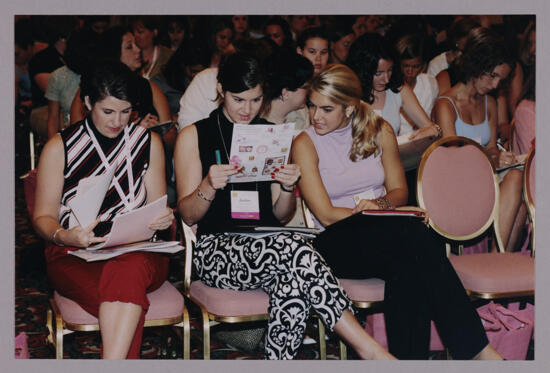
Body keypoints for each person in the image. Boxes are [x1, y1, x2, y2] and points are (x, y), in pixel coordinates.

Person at [174, 52, 394, 360]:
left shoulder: (270, 134)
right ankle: (368, 349)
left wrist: (289, 187)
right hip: (217, 251)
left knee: (292, 281)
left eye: (255, 99)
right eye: (238, 99)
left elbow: (281, 214)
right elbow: (187, 214)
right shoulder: (195, 135)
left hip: (272, 246)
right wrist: (208, 186)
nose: (247, 109)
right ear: (221, 90)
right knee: (294, 249)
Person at [292, 64, 502, 360]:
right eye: (312, 106)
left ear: (350, 108)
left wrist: (379, 207)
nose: (315, 116)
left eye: (326, 109)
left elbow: (398, 191)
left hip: (386, 237)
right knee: (412, 236)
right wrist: (367, 215)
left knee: (407, 263)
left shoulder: (380, 130)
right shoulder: (304, 142)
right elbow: (325, 215)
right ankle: (478, 350)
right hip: (334, 242)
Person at [32, 61, 174, 359]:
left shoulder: (147, 143)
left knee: (127, 270)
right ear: (87, 102)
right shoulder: (61, 147)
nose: (118, 121)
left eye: (126, 112)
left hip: (140, 251)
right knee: (126, 292)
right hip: (74, 254)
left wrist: (163, 217)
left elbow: (157, 206)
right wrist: (66, 236)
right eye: (108, 111)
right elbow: (42, 217)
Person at [432, 27, 526, 252]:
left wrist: (501, 157)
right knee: (515, 184)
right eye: (492, 76)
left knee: (518, 187)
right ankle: (497, 260)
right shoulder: (446, 105)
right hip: (456, 183)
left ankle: (497, 260)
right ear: (477, 66)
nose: (494, 86)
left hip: (485, 176)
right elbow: (452, 161)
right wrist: (492, 161)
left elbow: (492, 148)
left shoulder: (489, 103)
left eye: (499, 80)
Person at [347, 33, 440, 139]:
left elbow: (431, 127)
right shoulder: (348, 93)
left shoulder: (398, 89)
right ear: (363, 71)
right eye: (378, 73)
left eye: (390, 70)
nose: (386, 79)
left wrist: (431, 131)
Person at [45, 28, 99, 139]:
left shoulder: (100, 73)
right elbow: (53, 118)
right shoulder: (58, 77)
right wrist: (53, 148)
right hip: (71, 136)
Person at [395, 33, 439, 135]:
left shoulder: (430, 83)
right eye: (405, 66)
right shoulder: (390, 87)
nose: (410, 71)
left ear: (423, 65)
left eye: (415, 66)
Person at [261, 50, 314, 130]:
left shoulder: (302, 114)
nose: (310, 91)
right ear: (285, 93)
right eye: (306, 87)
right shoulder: (254, 119)